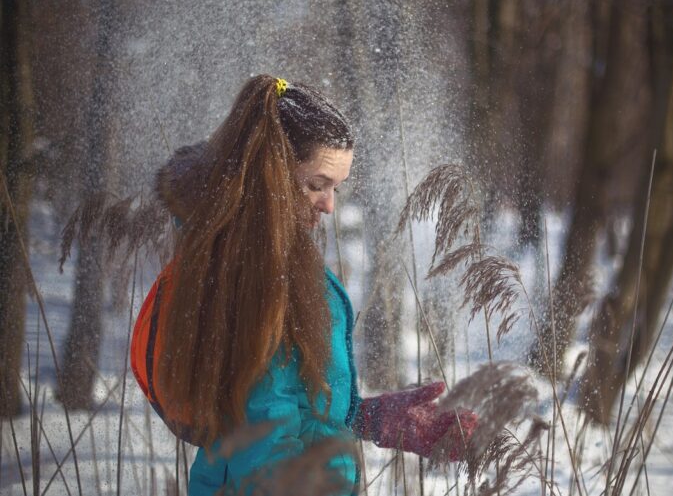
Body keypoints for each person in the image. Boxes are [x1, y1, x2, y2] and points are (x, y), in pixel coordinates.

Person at [140, 75, 477, 495]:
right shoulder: (257, 280)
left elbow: (286, 400)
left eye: (336, 188)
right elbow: (263, 437)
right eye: (316, 185)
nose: (330, 205)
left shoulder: (272, 261)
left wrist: (367, 416)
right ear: (271, 174)